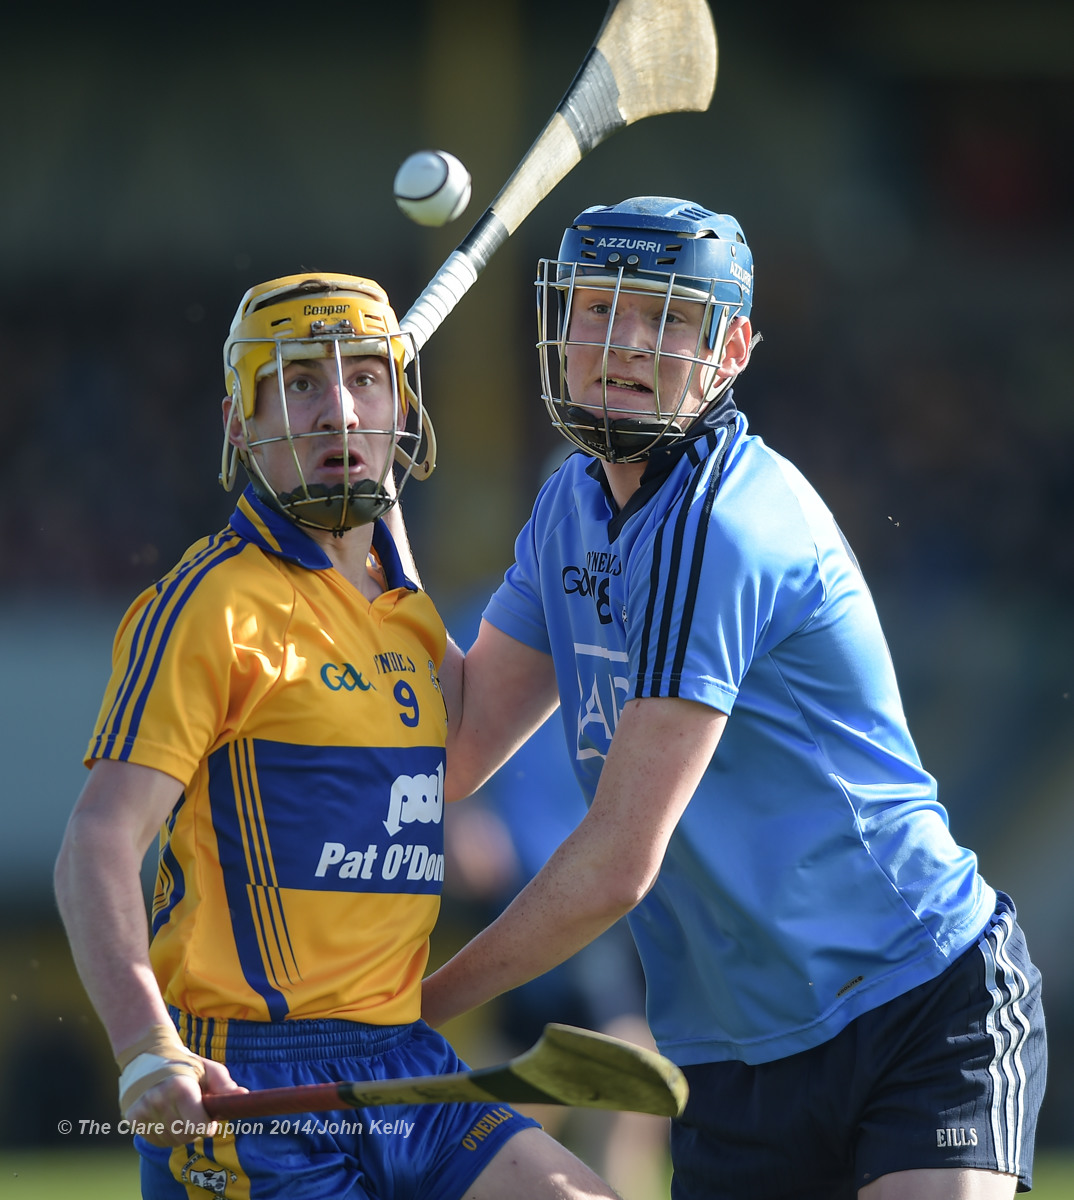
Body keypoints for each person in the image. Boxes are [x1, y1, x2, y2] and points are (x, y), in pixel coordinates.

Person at [419, 198, 1048, 1199]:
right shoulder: (569, 506)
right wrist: (348, 555)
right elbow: (450, 750)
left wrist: (409, 1011)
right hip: (729, 1053)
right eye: (597, 309)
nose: (622, 343)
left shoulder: (727, 524)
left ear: (732, 349)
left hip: (915, 1000)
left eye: (667, 317)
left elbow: (619, 862)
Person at [53, 273, 620, 1200]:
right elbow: (97, 842)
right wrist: (143, 1045)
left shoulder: (404, 611)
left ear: (404, 408)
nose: (339, 411)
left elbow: (457, 753)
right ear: (242, 426)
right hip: (255, 1085)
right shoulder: (212, 606)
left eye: (364, 378)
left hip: (405, 1061)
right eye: (302, 383)